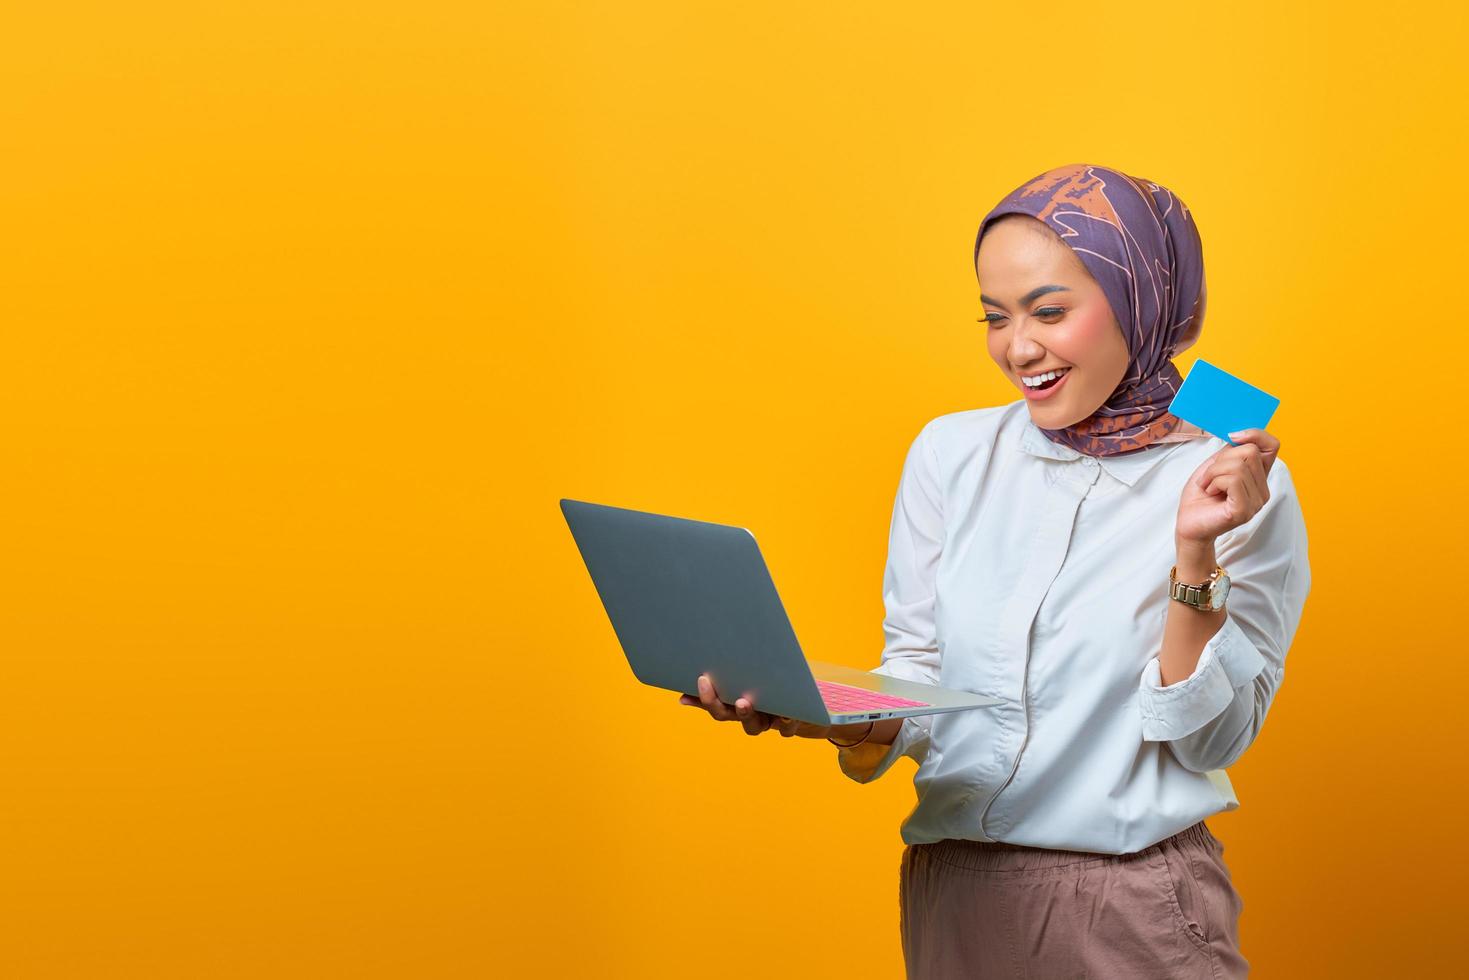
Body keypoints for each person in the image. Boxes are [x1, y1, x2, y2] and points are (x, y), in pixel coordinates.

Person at [680, 163, 1310, 978]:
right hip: (954, 894)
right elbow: (920, 683)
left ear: (1138, 303)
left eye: (1049, 311)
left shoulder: (1232, 476)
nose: (1018, 348)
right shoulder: (949, 452)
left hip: (1128, 905)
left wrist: (1193, 555)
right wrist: (824, 712)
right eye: (994, 316)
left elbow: (1207, 741)